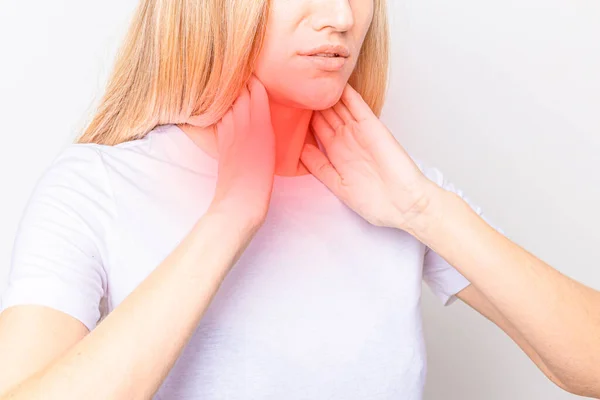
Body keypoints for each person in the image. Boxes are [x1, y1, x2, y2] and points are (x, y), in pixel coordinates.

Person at [0, 0, 598, 399]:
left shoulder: (392, 191)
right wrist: (231, 218)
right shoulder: (98, 184)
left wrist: (424, 210)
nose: (341, 17)